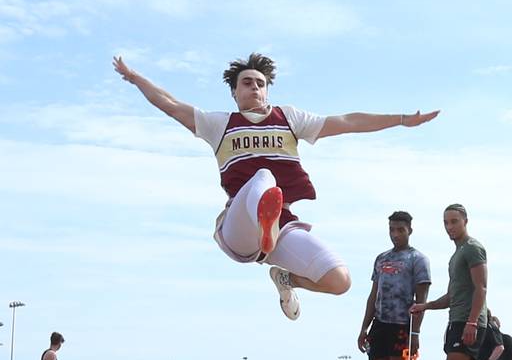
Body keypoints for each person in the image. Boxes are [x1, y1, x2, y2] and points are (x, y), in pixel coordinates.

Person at [113, 54, 438, 321]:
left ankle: (285, 278)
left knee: (339, 280)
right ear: (235, 92)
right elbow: (169, 103)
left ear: (267, 90)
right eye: (246, 83)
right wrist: (135, 77)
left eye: (260, 83)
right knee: (263, 177)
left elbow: (348, 122)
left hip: (281, 227)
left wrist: (399, 119)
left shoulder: (290, 119)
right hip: (239, 228)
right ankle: (264, 219)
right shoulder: (218, 124)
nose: (254, 87)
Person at [410, 204, 487, 360]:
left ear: (465, 221)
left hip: (467, 320)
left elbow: (481, 287)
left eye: (454, 221)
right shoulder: (458, 254)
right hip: (460, 316)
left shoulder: (473, 248)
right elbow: (453, 295)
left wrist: (472, 321)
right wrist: (427, 305)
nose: (450, 227)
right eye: (446, 222)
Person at [358, 211, 431, 360]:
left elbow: (421, 299)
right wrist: (364, 327)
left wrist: (416, 333)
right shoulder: (381, 259)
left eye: (400, 230)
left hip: (403, 325)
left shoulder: (417, 259)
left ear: (410, 230)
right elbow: (373, 294)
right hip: (380, 324)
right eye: (392, 230)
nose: (396, 234)